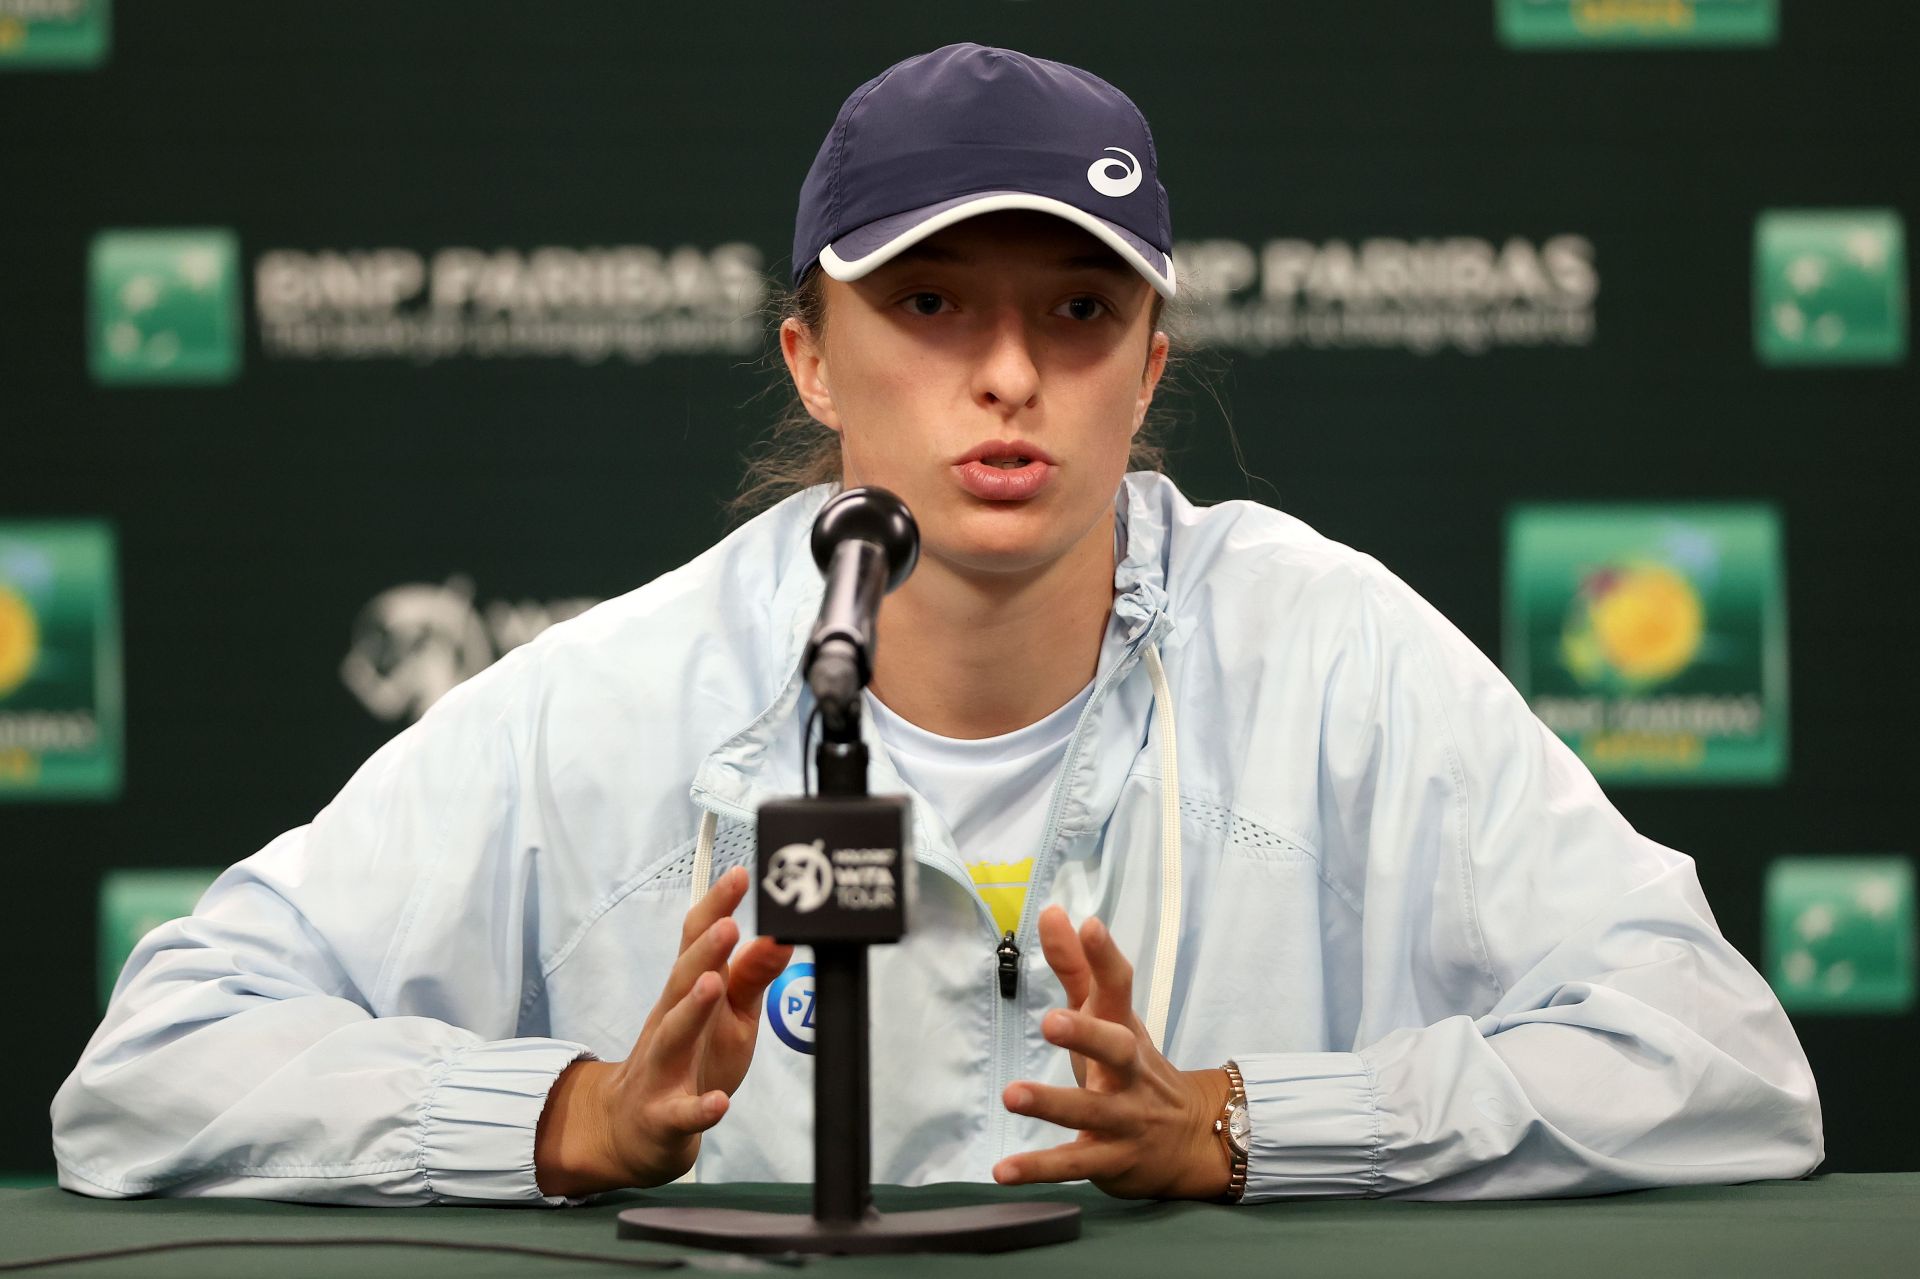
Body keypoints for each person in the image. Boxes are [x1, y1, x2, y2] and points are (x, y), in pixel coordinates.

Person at [51, 42, 1821, 1208]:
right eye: (928, 300)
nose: (1004, 372)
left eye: (1074, 307)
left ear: (1150, 367)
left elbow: (1722, 1060)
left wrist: (1250, 1126)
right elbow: (154, 1065)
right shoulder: (621, 693)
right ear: (811, 357)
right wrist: (562, 1116)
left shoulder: (1335, 652)